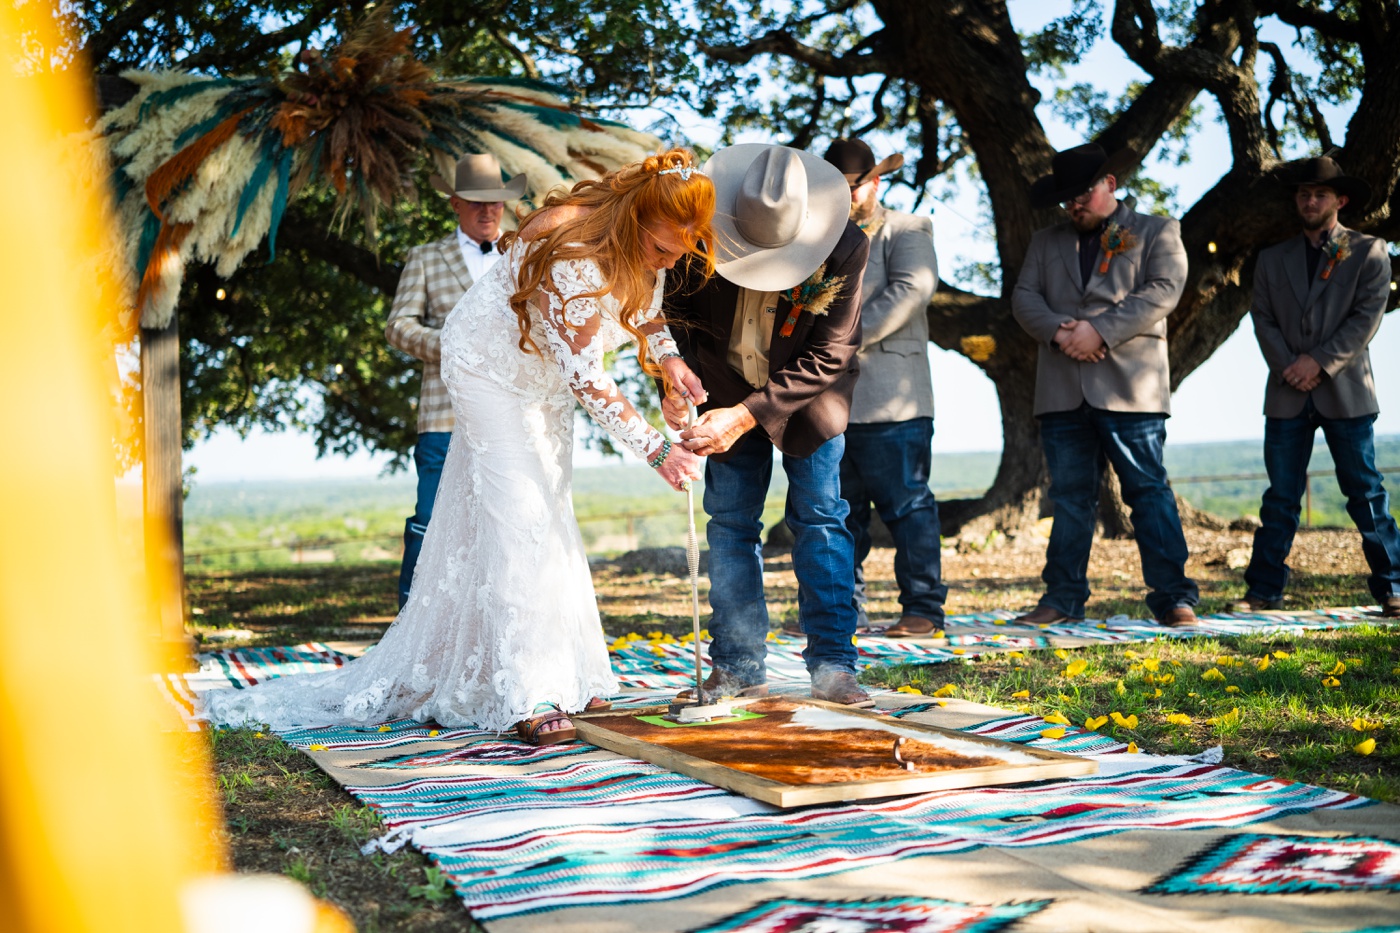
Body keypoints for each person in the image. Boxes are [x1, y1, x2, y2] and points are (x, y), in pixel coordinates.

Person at [207, 149, 714, 744]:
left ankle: (569, 672)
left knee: (548, 505)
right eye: (662, 249)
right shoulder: (570, 246)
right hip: (487, 367)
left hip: (541, 376)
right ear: (634, 222)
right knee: (519, 509)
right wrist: (659, 451)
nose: (669, 260)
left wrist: (671, 364)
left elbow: (646, 314)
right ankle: (530, 692)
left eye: (681, 251)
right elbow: (587, 377)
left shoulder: (646, 246)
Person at [661, 144, 873, 706]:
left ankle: (834, 666)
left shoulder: (847, 245)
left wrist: (749, 414)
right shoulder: (696, 236)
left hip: (808, 400)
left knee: (822, 519)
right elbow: (678, 322)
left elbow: (829, 356)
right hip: (722, 387)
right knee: (729, 523)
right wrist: (679, 381)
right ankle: (737, 665)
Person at [1011, 142, 1199, 627]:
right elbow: (1024, 298)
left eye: (1083, 194)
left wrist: (1100, 331)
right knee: (1070, 497)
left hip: (1130, 387)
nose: (1074, 205)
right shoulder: (1044, 242)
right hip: (1060, 388)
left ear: (1110, 186)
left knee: (1147, 490)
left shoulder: (1158, 230)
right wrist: (1059, 332)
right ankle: (1062, 598)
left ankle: (1174, 597)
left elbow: (1163, 290)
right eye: (1067, 198)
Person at [1231, 157, 1400, 618]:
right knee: (1280, 497)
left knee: (1365, 491)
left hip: (1346, 390)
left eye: (1319, 195)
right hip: (1286, 391)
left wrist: (1318, 364)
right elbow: (1261, 318)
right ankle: (1263, 590)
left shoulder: (1370, 251)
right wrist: (1289, 366)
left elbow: (1366, 319)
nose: (1309, 201)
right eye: (1303, 194)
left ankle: (1394, 586)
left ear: (1339, 200)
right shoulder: (1271, 258)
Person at [386, 154, 524, 610]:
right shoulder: (425, 258)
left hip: (512, 417)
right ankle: (410, 627)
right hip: (444, 415)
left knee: (507, 525)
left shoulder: (522, 260)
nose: (488, 212)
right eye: (477, 203)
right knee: (430, 520)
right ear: (454, 203)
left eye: (496, 203)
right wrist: (454, 347)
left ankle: (488, 634)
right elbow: (398, 326)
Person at [821, 136, 946, 637]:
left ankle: (922, 608)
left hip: (894, 397)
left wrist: (837, 342)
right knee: (838, 515)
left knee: (908, 507)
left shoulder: (910, 228)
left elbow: (911, 290)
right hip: (828, 400)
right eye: (839, 188)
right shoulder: (819, 239)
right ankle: (845, 614)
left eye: (856, 186)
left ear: (876, 182)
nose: (849, 197)